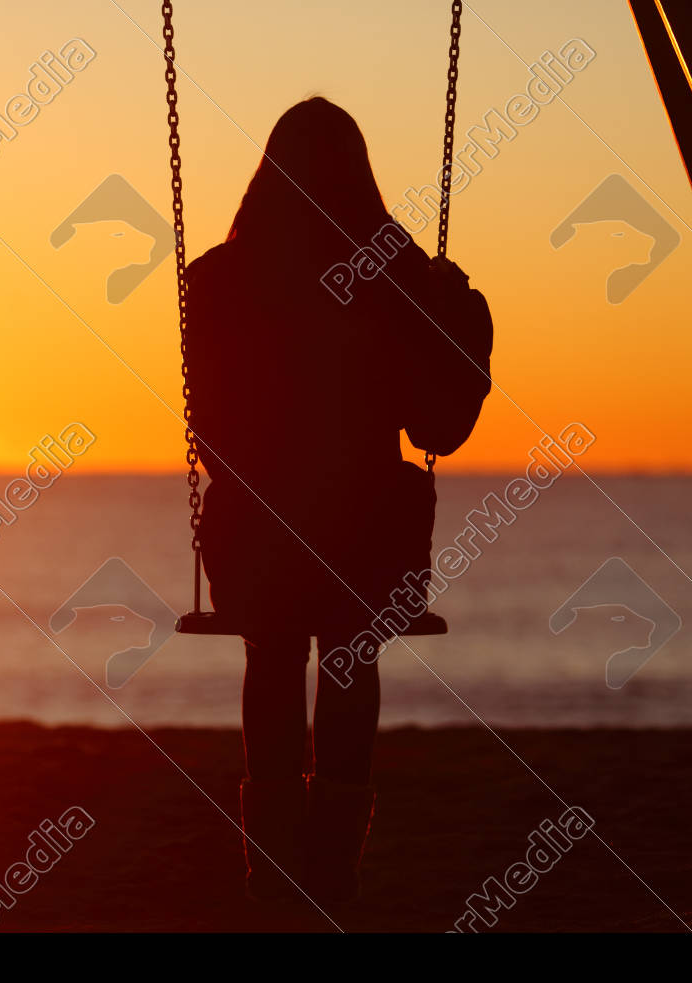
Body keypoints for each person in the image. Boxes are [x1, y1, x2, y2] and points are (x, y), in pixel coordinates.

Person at [184, 97, 493, 903]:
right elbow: (440, 423)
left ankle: (274, 872)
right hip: (369, 535)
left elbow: (212, 439)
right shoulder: (398, 280)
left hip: (260, 539)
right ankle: (334, 875)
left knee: (272, 649)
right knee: (352, 655)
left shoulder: (217, 280)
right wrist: (461, 313)